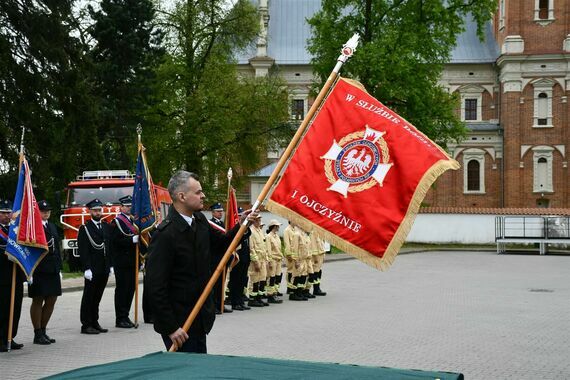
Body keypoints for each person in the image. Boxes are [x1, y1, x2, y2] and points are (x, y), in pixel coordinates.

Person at [145, 171, 254, 353]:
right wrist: (171, 327)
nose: (203, 195)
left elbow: (222, 243)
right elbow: (155, 287)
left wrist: (243, 225)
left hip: (200, 317)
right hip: (180, 324)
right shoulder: (165, 235)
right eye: (198, 192)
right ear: (181, 196)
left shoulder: (200, 220)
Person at [28, 200, 62, 345]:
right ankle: (37, 333)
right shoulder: (32, 228)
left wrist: (59, 268)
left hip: (53, 268)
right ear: (37, 212)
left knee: (52, 299)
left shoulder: (52, 226)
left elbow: (57, 249)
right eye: (43, 211)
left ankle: (43, 330)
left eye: (48, 210)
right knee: (38, 299)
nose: (46, 213)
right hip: (39, 269)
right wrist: (28, 271)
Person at [78, 199, 112, 334]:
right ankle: (86, 324)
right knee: (89, 296)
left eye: (99, 210)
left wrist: (110, 265)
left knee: (97, 296)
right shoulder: (85, 228)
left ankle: (94, 321)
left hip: (103, 267)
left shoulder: (105, 226)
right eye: (95, 210)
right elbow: (83, 250)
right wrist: (86, 268)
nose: (98, 212)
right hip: (92, 268)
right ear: (90, 211)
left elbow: (109, 248)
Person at [0, 199, 25, 352]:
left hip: (16, 274)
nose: (6, 215)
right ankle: (0, 339)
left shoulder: (15, 230)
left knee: (15, 307)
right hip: (1, 276)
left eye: (8, 213)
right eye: (3, 213)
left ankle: (10, 336)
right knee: (2, 308)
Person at [110, 195, 137, 328]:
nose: (129, 208)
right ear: (121, 207)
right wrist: (131, 240)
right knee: (122, 289)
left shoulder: (133, 221)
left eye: (130, 206)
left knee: (130, 289)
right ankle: (120, 318)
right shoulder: (117, 222)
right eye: (126, 206)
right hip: (122, 261)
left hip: (133, 260)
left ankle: (126, 316)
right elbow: (115, 241)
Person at [208, 202, 231, 314]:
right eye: (218, 211)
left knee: (222, 283)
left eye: (221, 211)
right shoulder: (211, 224)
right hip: (215, 258)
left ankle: (220, 303)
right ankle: (214, 306)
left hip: (223, 257)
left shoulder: (222, 224)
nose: (220, 213)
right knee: (215, 284)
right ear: (212, 212)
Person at [228, 207, 251, 311]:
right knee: (235, 280)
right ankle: (234, 302)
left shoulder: (245, 228)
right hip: (237, 257)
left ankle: (240, 300)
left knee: (242, 280)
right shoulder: (235, 227)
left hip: (245, 257)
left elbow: (248, 234)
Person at [248, 215, 268, 307]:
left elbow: (264, 246)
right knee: (255, 279)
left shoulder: (260, 230)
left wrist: (267, 259)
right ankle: (252, 299)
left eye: (260, 219)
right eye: (258, 220)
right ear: (254, 220)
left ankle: (259, 298)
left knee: (262, 278)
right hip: (256, 260)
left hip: (263, 259)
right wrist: (255, 261)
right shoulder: (251, 231)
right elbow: (251, 248)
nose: (259, 221)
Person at [265, 219, 284, 304]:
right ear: (274, 226)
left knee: (277, 277)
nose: (278, 227)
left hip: (278, 259)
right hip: (273, 259)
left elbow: (279, 248)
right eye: (277, 226)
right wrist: (269, 261)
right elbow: (268, 250)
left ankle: (275, 293)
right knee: (271, 277)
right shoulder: (269, 236)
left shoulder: (276, 236)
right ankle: (270, 295)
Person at [309, 231, 327, 296]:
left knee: (319, 271)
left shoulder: (320, 232)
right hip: (316, 255)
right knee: (315, 272)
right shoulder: (313, 233)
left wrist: (323, 254)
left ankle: (318, 288)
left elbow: (322, 243)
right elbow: (313, 245)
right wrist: (315, 257)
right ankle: (316, 289)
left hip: (320, 254)